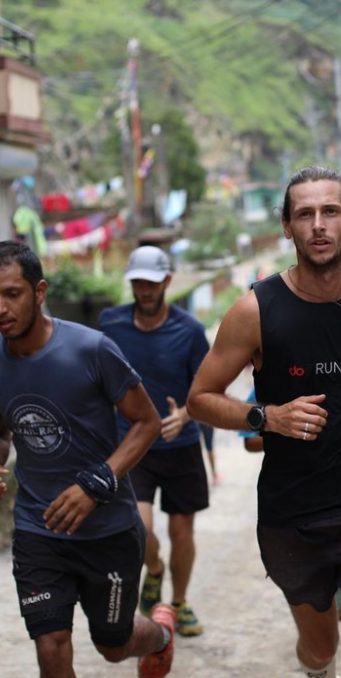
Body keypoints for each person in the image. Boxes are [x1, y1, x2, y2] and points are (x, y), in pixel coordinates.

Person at [187, 166, 341, 678]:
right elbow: (200, 400)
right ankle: (315, 666)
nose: (318, 225)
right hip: (291, 512)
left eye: (330, 211)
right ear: (287, 227)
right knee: (320, 649)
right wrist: (266, 416)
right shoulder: (254, 311)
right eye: (305, 214)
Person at [0, 241, 177, 678]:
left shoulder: (92, 350)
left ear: (40, 291)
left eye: (12, 294)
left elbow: (147, 423)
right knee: (51, 648)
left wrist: (95, 484)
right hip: (38, 528)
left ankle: (159, 636)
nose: (0, 308)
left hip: (109, 531)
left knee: (113, 644)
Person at [98, 245, 211, 637]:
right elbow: (95, 381)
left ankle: (178, 604)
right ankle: (155, 570)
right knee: (138, 527)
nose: (144, 290)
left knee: (183, 532)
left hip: (180, 447)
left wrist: (186, 413)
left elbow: (207, 388)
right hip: (132, 446)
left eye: (151, 283)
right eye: (138, 283)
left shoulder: (190, 331)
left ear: (166, 282)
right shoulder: (109, 327)